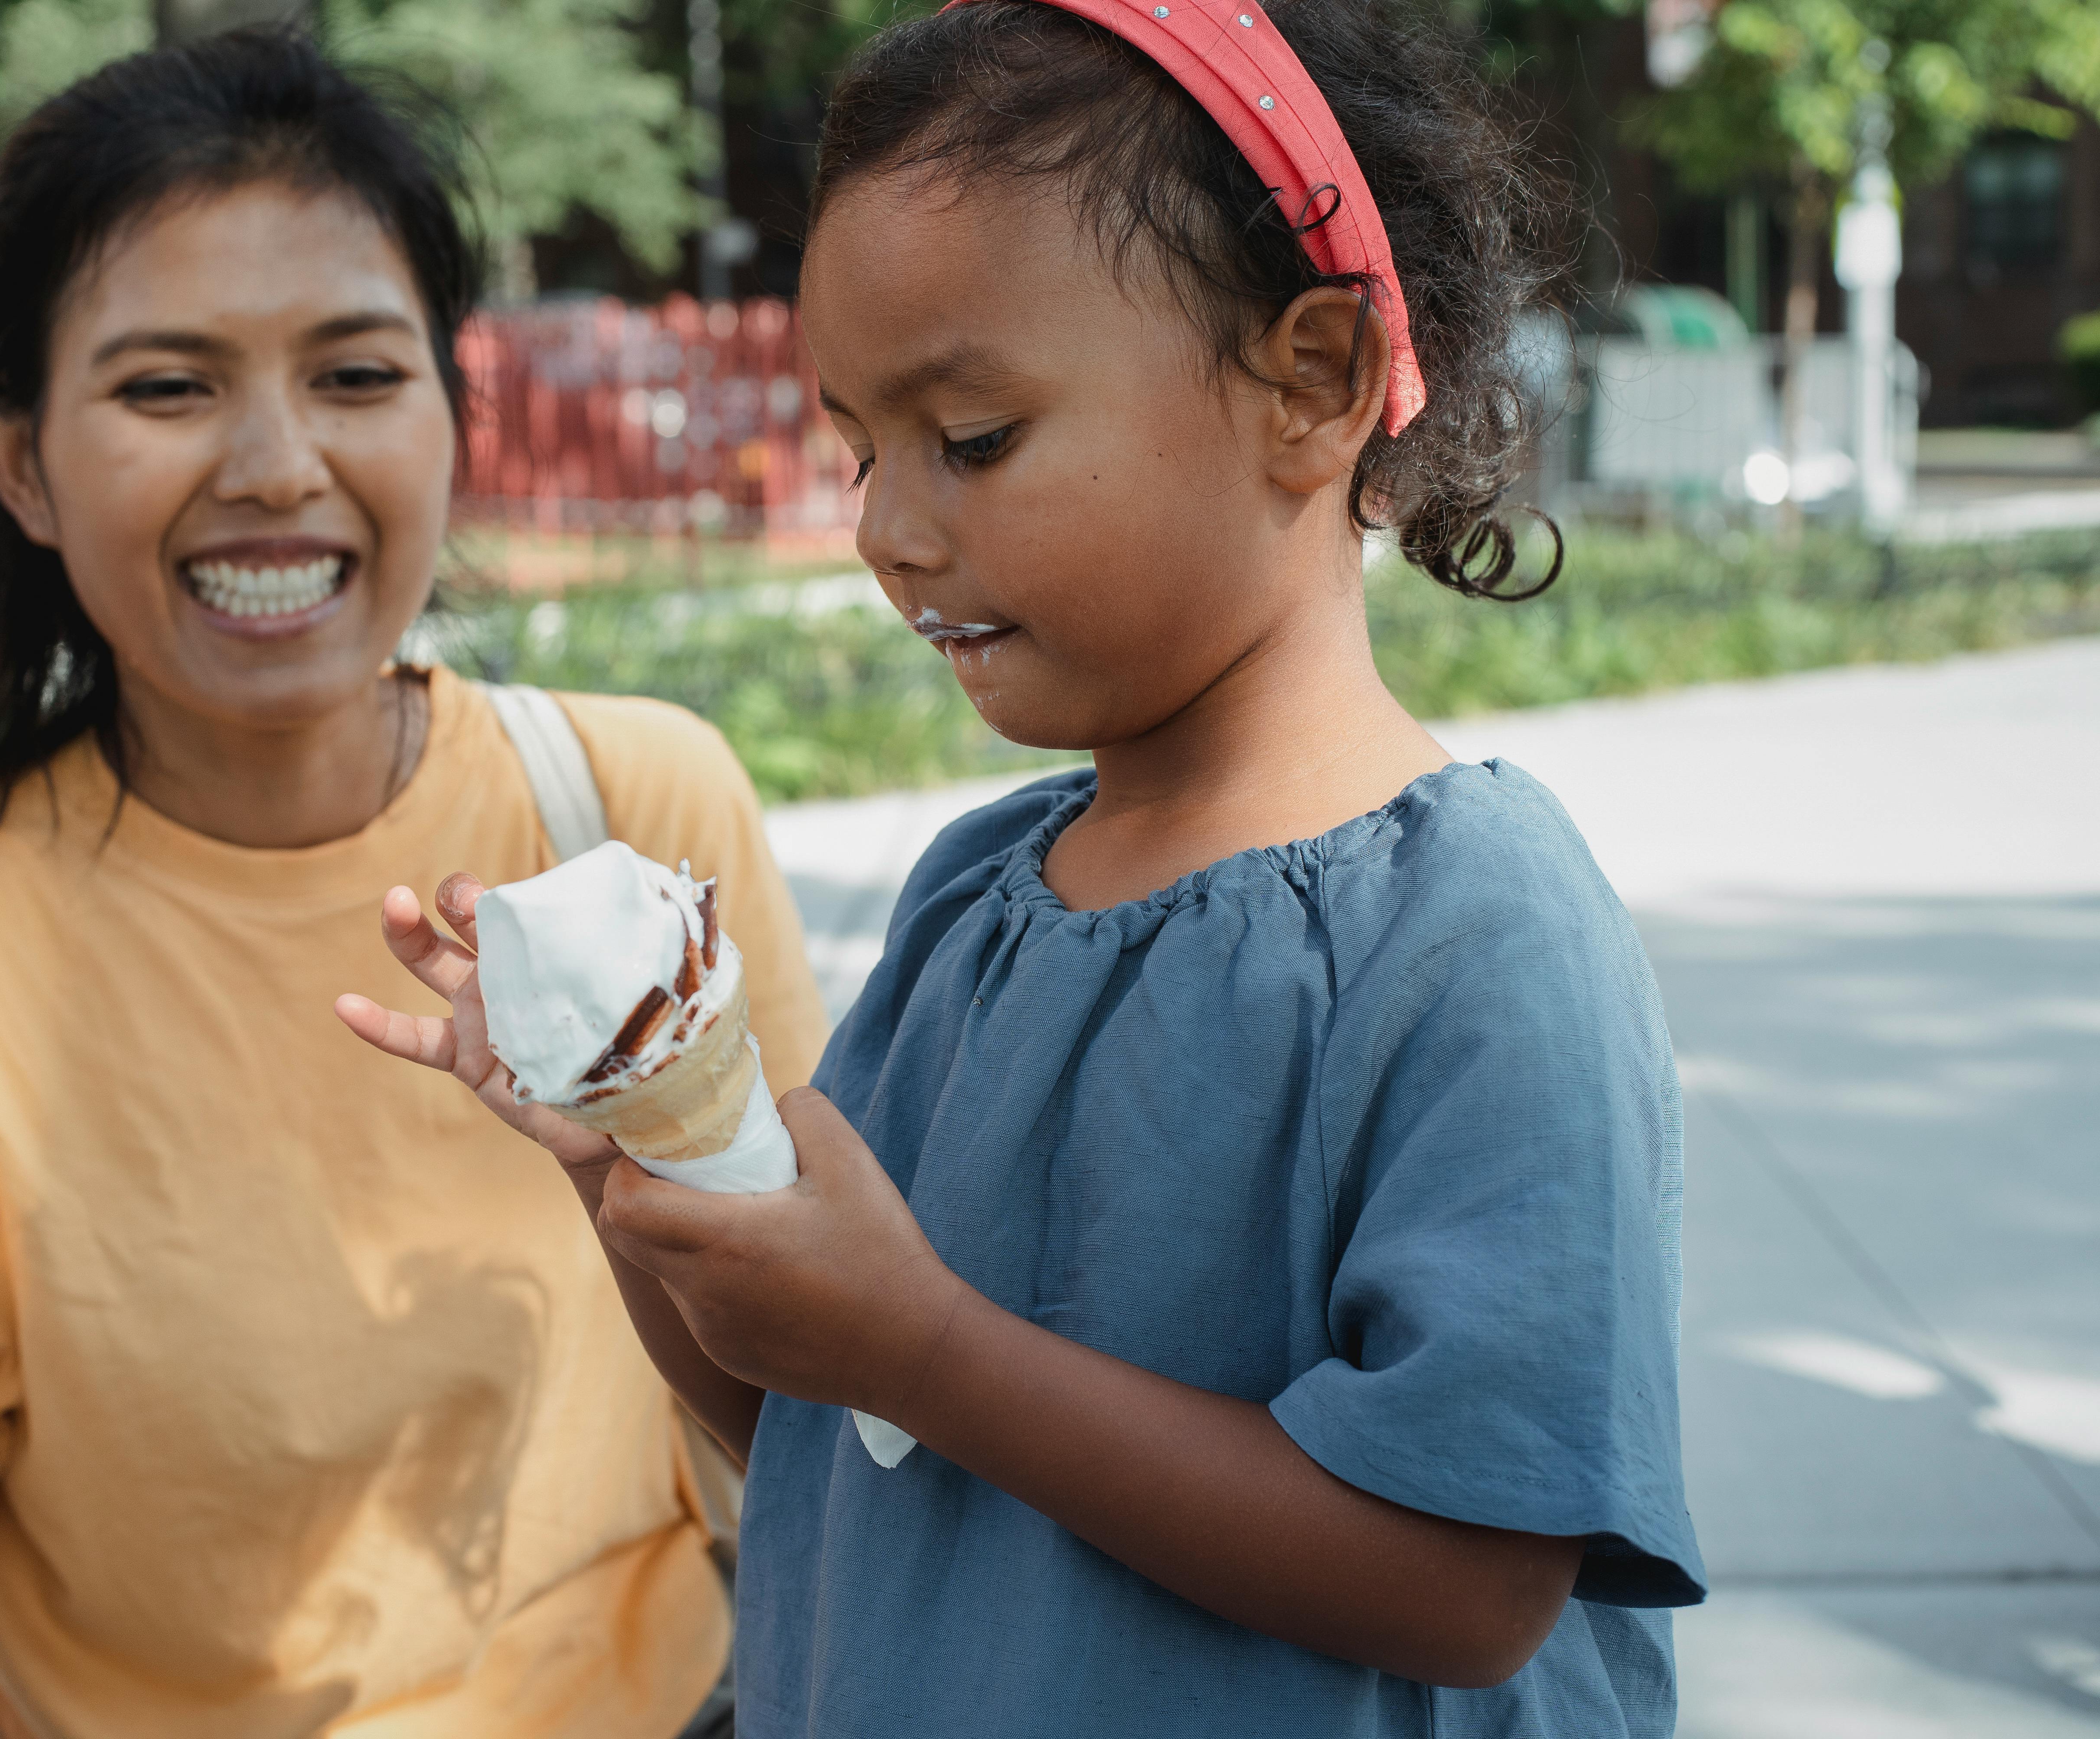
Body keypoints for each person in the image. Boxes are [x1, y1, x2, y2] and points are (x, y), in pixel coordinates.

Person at [339, 2, 1706, 1735]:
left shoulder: (1476, 931)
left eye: (971, 438)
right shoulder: (980, 897)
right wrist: (628, 1163)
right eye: (859, 447)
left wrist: (926, 1348)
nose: (889, 530)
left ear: (1313, 381)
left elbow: (1474, 1581)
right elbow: (830, 1426)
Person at [0, 30, 824, 1739]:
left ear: (457, 407)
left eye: (358, 375)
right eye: (167, 387)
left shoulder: (640, 807)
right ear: (15, 458)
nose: (279, 466)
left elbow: (815, 1416)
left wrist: (651, 1219)